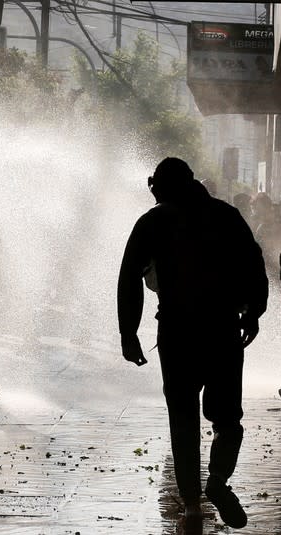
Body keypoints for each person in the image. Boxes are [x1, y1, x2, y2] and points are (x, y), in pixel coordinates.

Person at [118, 158, 268, 529]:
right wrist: (253, 313)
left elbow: (129, 278)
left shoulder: (153, 221)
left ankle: (190, 506)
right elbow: (255, 265)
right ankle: (217, 481)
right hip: (222, 331)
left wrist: (128, 331)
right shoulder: (226, 215)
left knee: (182, 418)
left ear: (161, 186)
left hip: (177, 334)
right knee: (228, 419)